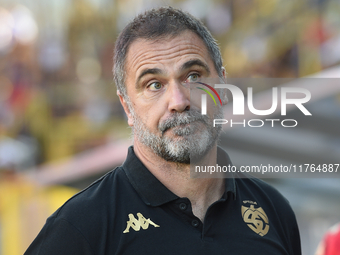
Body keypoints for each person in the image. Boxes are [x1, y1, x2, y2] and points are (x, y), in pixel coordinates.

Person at [25, 7, 301, 255]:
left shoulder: (274, 211)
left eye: (193, 76)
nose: (179, 102)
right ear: (127, 107)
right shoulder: (80, 228)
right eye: (154, 85)